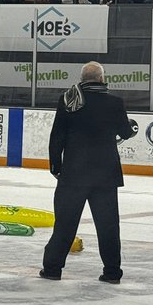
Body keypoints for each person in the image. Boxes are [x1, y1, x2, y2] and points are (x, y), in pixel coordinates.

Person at [40, 61, 137, 284]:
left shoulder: (68, 101)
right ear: (102, 79)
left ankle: (52, 269)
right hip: (106, 175)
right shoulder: (115, 102)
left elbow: (57, 136)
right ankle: (112, 272)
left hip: (74, 174)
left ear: (82, 79)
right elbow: (125, 132)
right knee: (108, 226)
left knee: (65, 224)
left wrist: (55, 166)